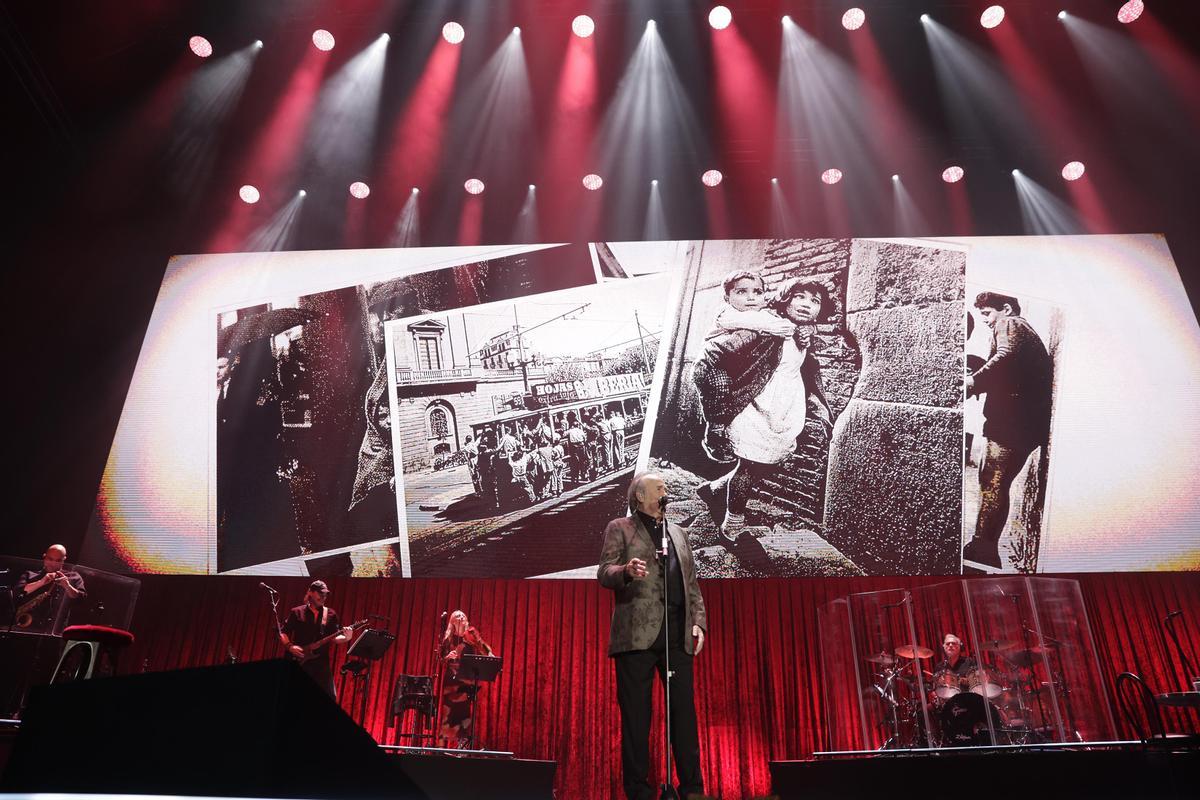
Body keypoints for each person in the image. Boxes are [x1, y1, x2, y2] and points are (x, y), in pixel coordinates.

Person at [692, 272, 833, 545]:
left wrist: (809, 333)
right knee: (749, 465)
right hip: (757, 404)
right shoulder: (766, 326)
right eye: (799, 297)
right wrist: (719, 406)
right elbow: (714, 354)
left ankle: (716, 488)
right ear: (785, 300)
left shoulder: (800, 331)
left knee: (771, 459)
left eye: (814, 300)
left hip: (785, 407)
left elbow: (802, 364)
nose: (806, 304)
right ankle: (733, 525)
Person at [598, 472, 707, 800]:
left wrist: (698, 621)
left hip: (677, 638)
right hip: (636, 639)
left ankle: (692, 790)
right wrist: (625, 571)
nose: (665, 490)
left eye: (664, 487)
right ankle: (639, 792)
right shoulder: (620, 528)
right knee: (636, 720)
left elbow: (692, 582)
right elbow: (604, 571)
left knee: (684, 719)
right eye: (658, 488)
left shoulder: (677, 532)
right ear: (640, 497)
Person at [962, 292, 1053, 569]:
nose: (987, 321)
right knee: (992, 483)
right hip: (1018, 423)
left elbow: (1005, 357)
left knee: (992, 483)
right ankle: (982, 546)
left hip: (1012, 423)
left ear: (1006, 308)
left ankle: (983, 551)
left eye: (988, 314)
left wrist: (971, 383)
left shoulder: (1012, 323)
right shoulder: (1020, 330)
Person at [279, 580, 352, 698]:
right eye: (320, 593)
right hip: (300, 657)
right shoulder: (297, 611)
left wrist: (346, 637)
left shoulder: (331, 614)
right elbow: (283, 632)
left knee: (330, 695)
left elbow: (334, 637)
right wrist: (289, 646)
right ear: (311, 592)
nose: (323, 597)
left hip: (320, 662)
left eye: (325, 594)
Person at [438, 609, 495, 747]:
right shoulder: (447, 637)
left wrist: (490, 654)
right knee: (448, 712)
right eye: (457, 615)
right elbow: (441, 659)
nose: (461, 616)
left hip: (466, 678)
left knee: (463, 711)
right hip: (451, 679)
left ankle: (463, 745)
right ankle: (442, 747)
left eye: (463, 615)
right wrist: (447, 658)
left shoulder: (470, 632)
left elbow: (481, 644)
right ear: (452, 620)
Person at [13, 545, 86, 631]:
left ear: (64, 560)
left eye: (58, 560)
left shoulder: (73, 576)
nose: (53, 564)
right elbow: (17, 592)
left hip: (55, 629)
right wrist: (41, 582)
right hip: (26, 627)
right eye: (50, 559)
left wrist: (68, 586)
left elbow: (81, 599)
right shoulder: (30, 574)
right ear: (44, 557)